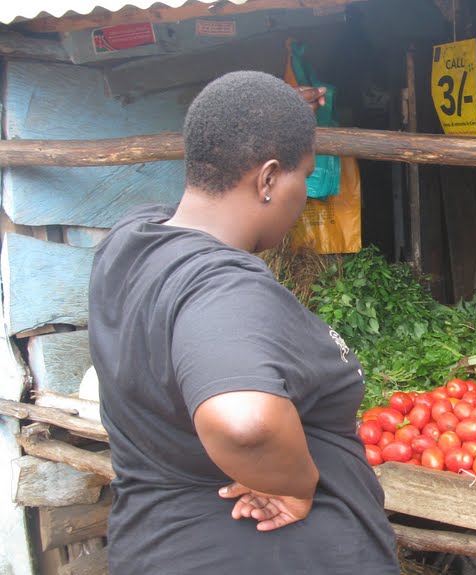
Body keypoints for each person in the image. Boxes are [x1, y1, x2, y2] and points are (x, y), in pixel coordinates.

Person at [88, 71, 399, 574]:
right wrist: (294, 485)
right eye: (306, 175)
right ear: (269, 179)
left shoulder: (132, 238)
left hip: (156, 544)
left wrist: (274, 108)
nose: (304, 200)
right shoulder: (222, 284)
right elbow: (244, 423)